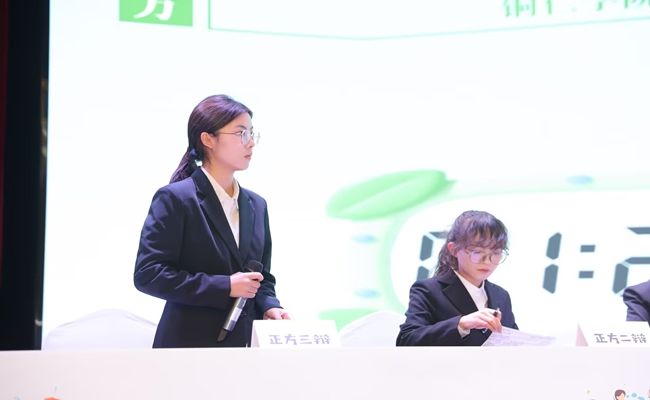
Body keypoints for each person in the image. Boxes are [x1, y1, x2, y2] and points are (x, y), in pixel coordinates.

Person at [134, 94, 290, 348]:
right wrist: (224, 286)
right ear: (208, 139)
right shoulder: (175, 198)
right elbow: (149, 274)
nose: (251, 143)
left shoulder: (257, 205)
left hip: (243, 349)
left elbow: (260, 278)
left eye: (252, 133)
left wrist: (270, 306)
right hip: (187, 348)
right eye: (241, 133)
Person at [396, 210, 517, 346]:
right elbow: (407, 339)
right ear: (453, 249)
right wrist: (461, 324)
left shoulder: (501, 295)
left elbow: (514, 342)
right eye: (477, 252)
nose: (487, 261)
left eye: (496, 253)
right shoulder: (428, 290)